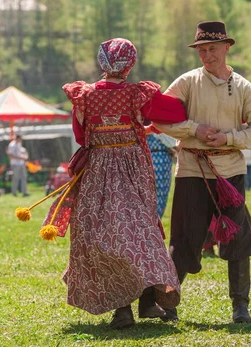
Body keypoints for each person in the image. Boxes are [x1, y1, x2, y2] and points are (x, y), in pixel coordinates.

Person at [59, 38, 184, 329]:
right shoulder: (138, 95)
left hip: (97, 173)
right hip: (132, 171)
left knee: (106, 238)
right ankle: (146, 302)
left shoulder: (85, 95)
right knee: (139, 232)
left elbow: (80, 136)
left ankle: (125, 308)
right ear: (130, 63)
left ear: (101, 61)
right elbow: (177, 112)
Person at [153, 21, 251, 323]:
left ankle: (240, 307)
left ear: (227, 47)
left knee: (237, 238)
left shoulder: (243, 87)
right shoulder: (187, 82)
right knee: (185, 239)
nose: (207, 55)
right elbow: (158, 117)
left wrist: (229, 138)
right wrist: (194, 129)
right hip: (192, 168)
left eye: (212, 49)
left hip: (230, 170)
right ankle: (168, 303)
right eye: (202, 50)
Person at [147, 133, 177, 217]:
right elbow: (172, 143)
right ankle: (155, 225)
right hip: (161, 158)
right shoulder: (161, 130)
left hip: (146, 157)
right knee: (159, 197)